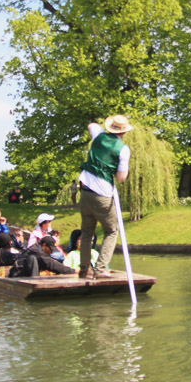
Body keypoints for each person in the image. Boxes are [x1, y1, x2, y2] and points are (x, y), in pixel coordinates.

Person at [77, 114, 134, 279]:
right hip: (102, 193)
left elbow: (91, 124)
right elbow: (121, 178)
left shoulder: (98, 135)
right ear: (124, 132)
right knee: (111, 230)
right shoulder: (123, 149)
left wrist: (101, 130)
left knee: (87, 231)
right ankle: (101, 269)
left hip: (85, 190)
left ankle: (84, 270)